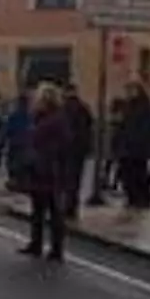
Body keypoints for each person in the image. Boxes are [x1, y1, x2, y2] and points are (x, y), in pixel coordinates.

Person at [18, 83, 71, 261]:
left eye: (39, 98)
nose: (36, 101)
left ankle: (56, 249)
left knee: (54, 211)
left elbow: (64, 145)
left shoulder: (57, 120)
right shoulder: (38, 118)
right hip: (37, 168)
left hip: (50, 170)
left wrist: (49, 157)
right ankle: (36, 243)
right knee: (37, 209)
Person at [117, 82, 150, 210]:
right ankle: (133, 197)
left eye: (131, 90)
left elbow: (147, 128)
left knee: (138, 174)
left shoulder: (143, 108)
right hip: (127, 147)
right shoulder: (128, 107)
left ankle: (141, 198)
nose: (128, 93)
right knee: (127, 174)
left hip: (137, 148)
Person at [61, 84, 94, 221]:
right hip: (80, 149)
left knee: (66, 178)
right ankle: (72, 205)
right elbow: (89, 125)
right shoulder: (83, 108)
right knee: (75, 178)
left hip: (68, 148)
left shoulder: (65, 108)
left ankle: (67, 205)